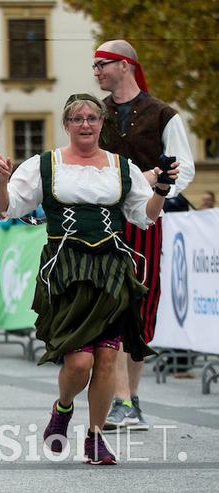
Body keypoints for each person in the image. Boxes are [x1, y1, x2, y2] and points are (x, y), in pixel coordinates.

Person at [0, 93, 174, 465]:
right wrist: (1, 181)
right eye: (78, 119)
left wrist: (161, 190)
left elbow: (145, 216)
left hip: (111, 270)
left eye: (92, 118)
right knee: (79, 363)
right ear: (67, 125)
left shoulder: (122, 167)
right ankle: (62, 409)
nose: (86, 124)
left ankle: (95, 437)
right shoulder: (46, 165)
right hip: (67, 269)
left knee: (107, 358)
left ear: (101, 123)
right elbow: (3, 207)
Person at [92, 40, 195, 430]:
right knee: (113, 306)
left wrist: (153, 190)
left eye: (102, 64)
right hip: (103, 223)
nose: (97, 71)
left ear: (125, 65)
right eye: (94, 66)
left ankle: (130, 399)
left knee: (141, 309)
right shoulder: (93, 114)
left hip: (146, 222)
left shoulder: (162, 114)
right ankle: (120, 399)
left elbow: (182, 167)